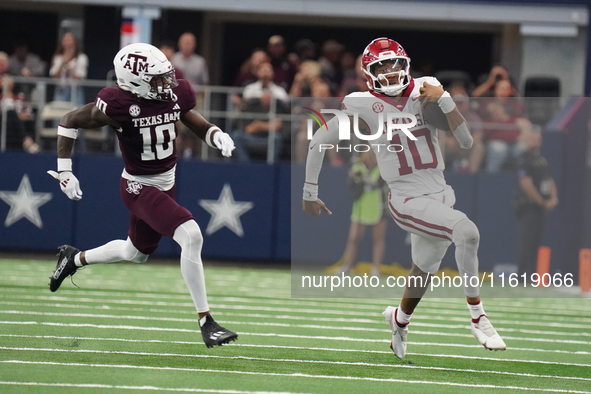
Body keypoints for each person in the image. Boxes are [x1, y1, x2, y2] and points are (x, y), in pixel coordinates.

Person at [302, 37, 506, 359]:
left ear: (405, 63)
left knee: (424, 269)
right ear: (369, 73)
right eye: (381, 66)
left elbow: (465, 141)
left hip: (439, 193)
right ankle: (478, 316)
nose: (391, 71)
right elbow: (319, 138)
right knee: (467, 232)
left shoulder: (426, 88)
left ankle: (399, 320)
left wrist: (446, 100)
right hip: (405, 198)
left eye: (394, 63)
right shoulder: (361, 103)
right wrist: (309, 191)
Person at [46, 43, 237, 348]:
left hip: (166, 182)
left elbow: (191, 118)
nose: (167, 84)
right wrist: (65, 170)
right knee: (192, 235)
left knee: (135, 252)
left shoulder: (173, 94)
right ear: (135, 82)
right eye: (158, 79)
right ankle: (206, 321)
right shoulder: (118, 104)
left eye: (166, 76)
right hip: (138, 186)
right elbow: (69, 120)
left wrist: (216, 135)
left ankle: (75, 259)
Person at [335, 150, 388, 276]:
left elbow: (377, 183)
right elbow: (352, 186)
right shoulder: (358, 165)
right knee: (353, 238)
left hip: (379, 206)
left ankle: (375, 268)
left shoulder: (383, 167)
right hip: (361, 206)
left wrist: (363, 178)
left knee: (378, 238)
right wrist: (352, 177)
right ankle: (347, 266)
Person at [513, 131, 558, 277]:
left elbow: (549, 179)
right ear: (526, 140)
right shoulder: (523, 159)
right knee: (527, 241)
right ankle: (522, 275)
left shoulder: (541, 160)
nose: (535, 142)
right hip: (529, 206)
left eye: (537, 139)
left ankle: (532, 273)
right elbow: (526, 183)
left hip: (541, 208)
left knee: (536, 242)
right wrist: (542, 201)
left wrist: (553, 198)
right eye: (532, 139)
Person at [232, 62, 289, 162]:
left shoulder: (280, 92)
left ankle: (270, 168)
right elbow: (247, 125)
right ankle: (247, 167)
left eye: (268, 70)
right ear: (257, 73)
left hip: (270, 136)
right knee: (237, 136)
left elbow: (278, 124)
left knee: (277, 138)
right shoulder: (249, 90)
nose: (265, 72)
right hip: (251, 135)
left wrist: (258, 125)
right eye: (263, 70)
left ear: (273, 74)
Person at [49, 32, 88, 108]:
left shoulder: (81, 57)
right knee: (58, 114)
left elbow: (81, 76)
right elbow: (53, 75)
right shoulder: (57, 58)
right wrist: (62, 64)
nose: (68, 43)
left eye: (70, 40)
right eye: (65, 40)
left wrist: (70, 68)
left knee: (77, 113)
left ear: (74, 42)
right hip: (61, 89)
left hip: (75, 90)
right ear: (62, 43)